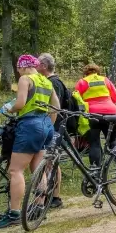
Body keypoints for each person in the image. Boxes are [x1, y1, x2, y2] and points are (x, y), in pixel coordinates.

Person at [0, 55, 60, 229]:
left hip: (29, 125)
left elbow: (21, 103)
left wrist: (7, 108)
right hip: (45, 125)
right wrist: (48, 126)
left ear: (24, 66)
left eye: (18, 67)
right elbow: (56, 107)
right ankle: (38, 207)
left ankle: (14, 213)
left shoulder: (25, 79)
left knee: (16, 170)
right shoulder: (46, 81)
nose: (17, 70)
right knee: (38, 169)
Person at [37, 53, 70, 209]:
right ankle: (54, 196)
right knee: (52, 162)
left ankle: (54, 197)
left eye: (38, 64)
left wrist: (49, 126)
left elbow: (54, 108)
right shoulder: (52, 81)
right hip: (54, 127)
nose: (36, 67)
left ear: (44, 66)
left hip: (54, 128)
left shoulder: (53, 83)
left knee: (50, 162)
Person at [75, 64, 116, 169]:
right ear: (98, 72)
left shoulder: (82, 82)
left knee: (94, 143)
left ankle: (95, 170)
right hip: (112, 113)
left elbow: (77, 100)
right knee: (113, 140)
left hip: (93, 115)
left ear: (85, 73)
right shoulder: (105, 80)